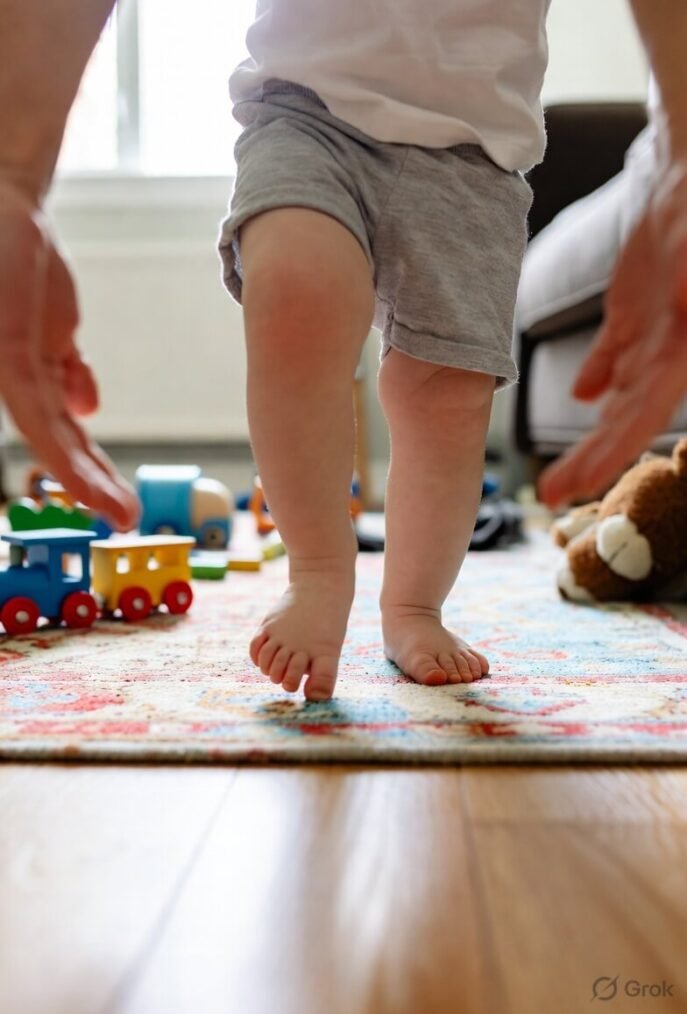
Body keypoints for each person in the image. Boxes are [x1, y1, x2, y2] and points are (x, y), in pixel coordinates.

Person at [1, 1, 686, 702]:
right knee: (297, 297)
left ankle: (414, 606)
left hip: (475, 150)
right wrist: (13, 173)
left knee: (448, 396)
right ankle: (317, 572)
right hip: (306, 110)